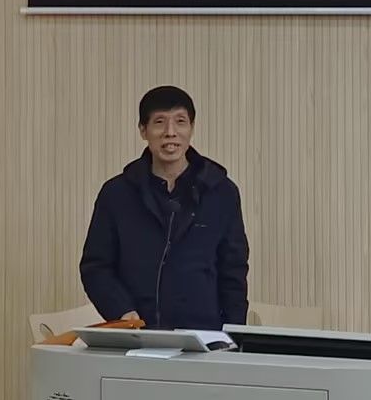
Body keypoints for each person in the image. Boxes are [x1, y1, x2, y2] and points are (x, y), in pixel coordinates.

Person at [80, 85, 249, 329]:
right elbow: (96, 266)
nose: (170, 132)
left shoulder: (221, 192)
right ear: (143, 130)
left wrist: (234, 336)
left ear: (192, 128)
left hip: (204, 338)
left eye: (180, 121)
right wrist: (121, 311)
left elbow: (233, 272)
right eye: (159, 122)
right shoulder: (116, 194)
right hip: (137, 335)